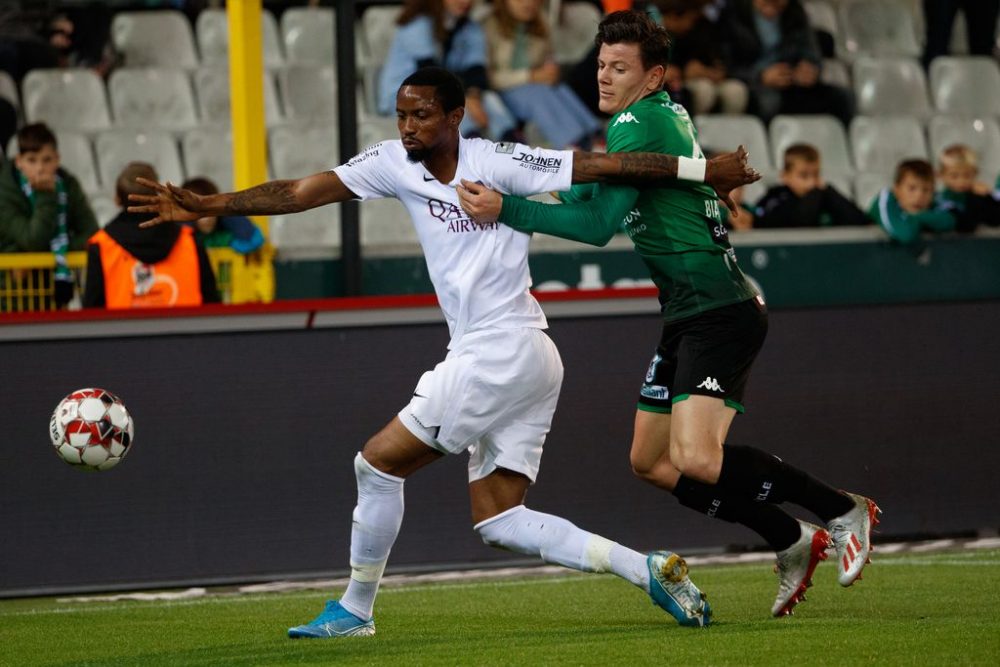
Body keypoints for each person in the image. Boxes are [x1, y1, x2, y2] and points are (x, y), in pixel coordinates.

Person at [130, 66, 759, 637]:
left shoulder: (501, 160)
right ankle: (647, 570)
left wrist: (704, 172)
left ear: (454, 117)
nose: (407, 126)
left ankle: (354, 610)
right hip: (524, 355)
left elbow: (604, 168)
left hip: (502, 351)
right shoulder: (391, 163)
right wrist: (207, 205)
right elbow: (300, 192)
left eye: (421, 115)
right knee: (499, 521)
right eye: (402, 115)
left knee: (376, 464)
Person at [457, 10, 879, 619]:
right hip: (687, 312)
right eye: (601, 65)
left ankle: (841, 509)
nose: (603, 77)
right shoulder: (649, 117)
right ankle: (790, 538)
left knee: (698, 459)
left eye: (619, 68)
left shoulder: (638, 123)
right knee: (651, 461)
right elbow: (586, 191)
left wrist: (507, 210)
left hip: (720, 308)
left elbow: (598, 225)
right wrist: (514, 186)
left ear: (652, 76)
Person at [83, 162, 219, 309]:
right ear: (157, 195)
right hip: (187, 330)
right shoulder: (190, 240)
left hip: (122, 331)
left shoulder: (101, 245)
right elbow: (213, 303)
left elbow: (92, 310)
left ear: (117, 199)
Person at [377, 0, 518, 142]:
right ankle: (470, 148)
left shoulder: (470, 28)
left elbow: (476, 71)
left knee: (489, 98)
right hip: (407, 94)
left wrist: (473, 96)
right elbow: (429, 75)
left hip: (449, 88)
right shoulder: (417, 24)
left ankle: (513, 146)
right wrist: (465, 99)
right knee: (451, 106)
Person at [0, 122, 98, 309]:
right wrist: (46, 195)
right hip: (10, 298)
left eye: (46, 160)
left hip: (54, 296)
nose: (40, 168)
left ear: (57, 159)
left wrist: (61, 248)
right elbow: (32, 239)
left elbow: (92, 233)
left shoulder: (68, 185)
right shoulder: (5, 191)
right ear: (19, 161)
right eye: (32, 160)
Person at [482, 0, 602, 149]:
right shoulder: (488, 26)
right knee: (536, 93)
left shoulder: (541, 22)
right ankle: (572, 143)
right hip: (502, 90)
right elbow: (488, 78)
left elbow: (548, 58)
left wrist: (551, 72)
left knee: (559, 88)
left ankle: (592, 133)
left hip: (536, 85)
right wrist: (530, 76)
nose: (528, 3)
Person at [719, 0, 853, 126]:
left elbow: (812, 53)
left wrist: (809, 69)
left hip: (791, 83)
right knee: (769, 102)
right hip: (753, 85)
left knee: (843, 99)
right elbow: (725, 67)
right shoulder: (733, 14)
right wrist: (761, 76)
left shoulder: (795, 13)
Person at [658, 0, 749, 115]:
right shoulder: (652, 32)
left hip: (710, 78)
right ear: (672, 17)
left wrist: (716, 71)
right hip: (682, 82)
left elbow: (719, 57)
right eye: (689, 20)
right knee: (704, 90)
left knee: (736, 91)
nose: (690, 25)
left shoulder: (702, 27)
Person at [753, 143, 870, 228]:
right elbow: (799, 223)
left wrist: (830, 192)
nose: (812, 182)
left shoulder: (825, 196)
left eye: (816, 175)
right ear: (785, 176)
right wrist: (815, 194)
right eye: (804, 176)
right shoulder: (774, 197)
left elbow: (860, 221)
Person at [868, 159, 956, 249]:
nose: (919, 196)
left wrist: (916, 216)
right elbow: (906, 234)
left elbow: (949, 221)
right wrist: (924, 219)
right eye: (912, 188)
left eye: (926, 190)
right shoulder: (885, 200)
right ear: (896, 189)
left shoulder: (935, 199)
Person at [181, 177, 266, 255]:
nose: (207, 219)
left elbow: (253, 238)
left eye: (211, 210)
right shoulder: (180, 232)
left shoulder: (225, 222)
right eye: (200, 213)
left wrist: (227, 210)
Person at [934, 144, 1000, 232]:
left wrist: (987, 197)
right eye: (954, 176)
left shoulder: (979, 196)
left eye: (967, 175)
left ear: (975, 173)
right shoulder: (939, 199)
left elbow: (995, 219)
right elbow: (965, 225)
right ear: (941, 175)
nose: (961, 181)